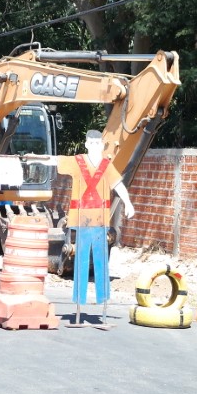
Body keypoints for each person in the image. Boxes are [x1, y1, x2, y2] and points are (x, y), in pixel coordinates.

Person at [59, 129, 135, 329]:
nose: (94, 146)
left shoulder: (106, 166)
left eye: (97, 143)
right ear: (86, 145)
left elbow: (118, 185)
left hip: (100, 222)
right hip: (82, 219)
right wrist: (35, 159)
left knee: (101, 264)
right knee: (81, 263)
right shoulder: (77, 162)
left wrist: (128, 203)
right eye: (91, 143)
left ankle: (103, 303)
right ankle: (78, 304)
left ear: (102, 146)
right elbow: (56, 161)